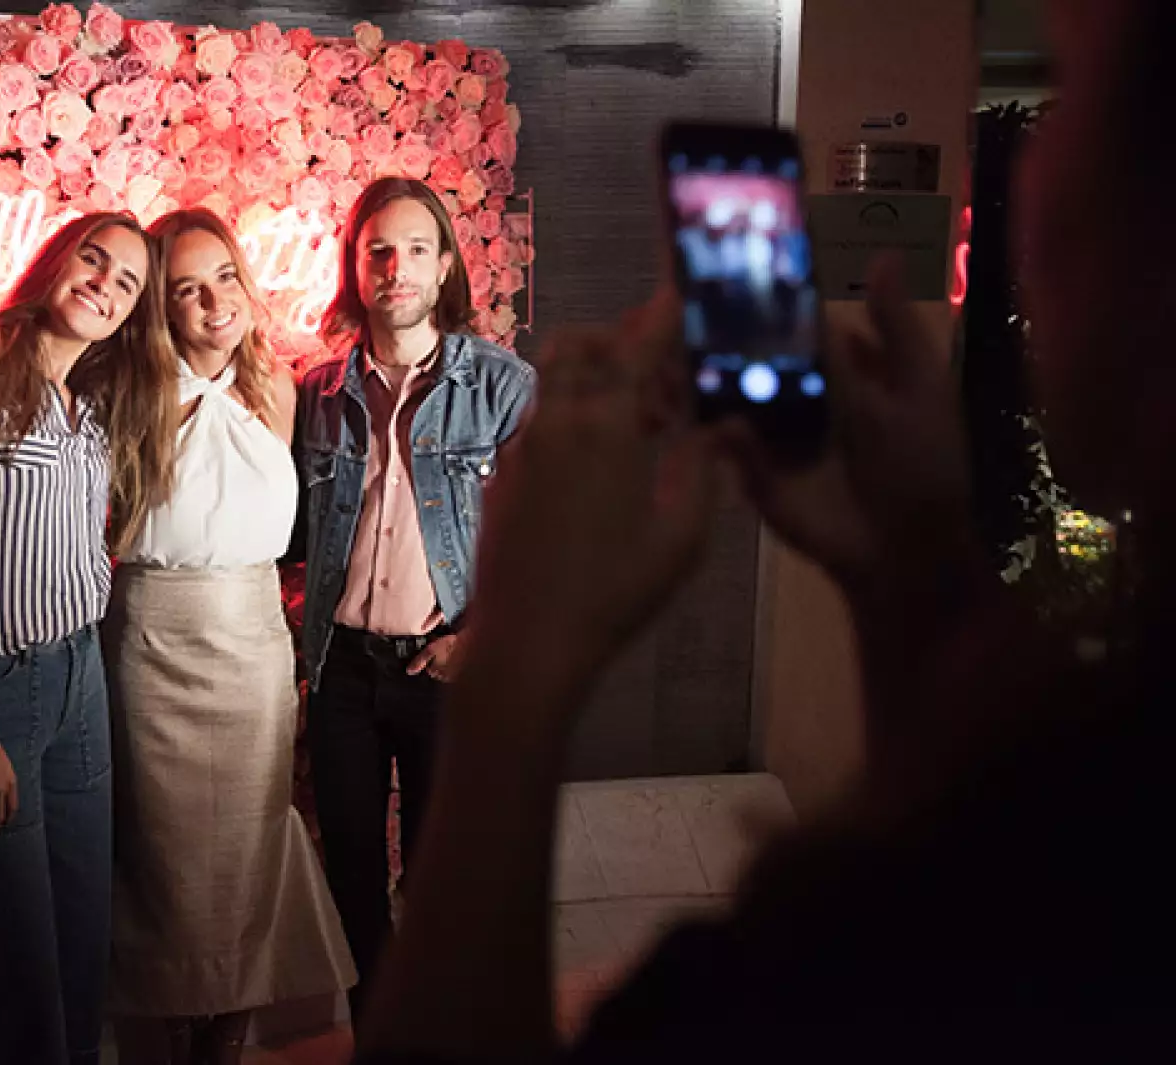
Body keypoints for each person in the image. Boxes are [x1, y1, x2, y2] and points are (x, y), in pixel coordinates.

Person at [354, 0, 1176, 1060]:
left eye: (1071, 94)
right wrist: (911, 573)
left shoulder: (1084, 862)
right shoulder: (1095, 793)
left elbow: (946, 918)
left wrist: (517, 672)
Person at [102, 208, 355, 1065]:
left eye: (225, 278)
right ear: (161, 308)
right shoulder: (124, 389)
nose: (213, 301)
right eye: (186, 288)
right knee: (162, 853)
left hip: (252, 640)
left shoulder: (278, 387)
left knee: (248, 847)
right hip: (152, 638)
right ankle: (169, 1028)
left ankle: (230, 1034)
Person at [295, 176, 537, 1029]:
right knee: (351, 868)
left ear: (444, 269)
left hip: (444, 668)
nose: (395, 267)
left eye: (415, 250)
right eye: (378, 251)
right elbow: (296, 535)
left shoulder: (503, 387)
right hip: (342, 672)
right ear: (357, 268)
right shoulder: (320, 392)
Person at [0, 212, 154, 1065]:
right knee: (12, 950)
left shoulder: (85, 407)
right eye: (93, 259)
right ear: (55, 263)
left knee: (80, 922)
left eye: (126, 282)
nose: (104, 282)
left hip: (79, 675)